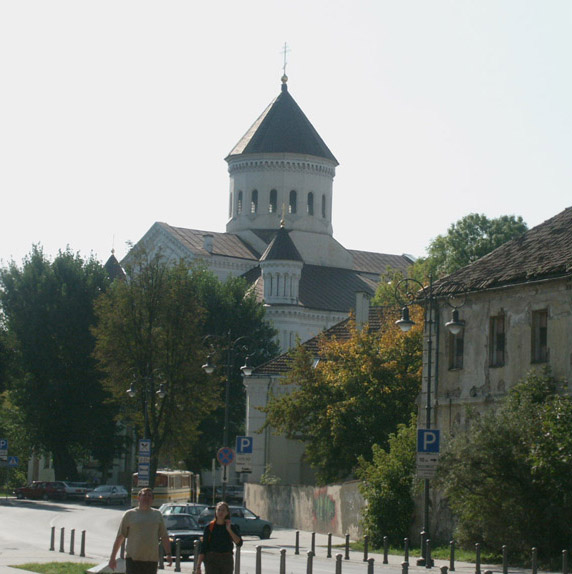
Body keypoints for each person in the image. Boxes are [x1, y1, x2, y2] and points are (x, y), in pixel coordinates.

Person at [108, 487, 173, 574]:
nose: (146, 497)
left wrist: (168, 554)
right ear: (138, 498)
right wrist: (112, 558)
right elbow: (120, 537)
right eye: (144, 495)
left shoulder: (157, 515)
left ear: (152, 500)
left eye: (149, 496)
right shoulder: (129, 514)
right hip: (133, 560)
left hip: (151, 561)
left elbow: (164, 536)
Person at [195, 501, 242, 574]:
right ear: (215, 512)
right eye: (219, 510)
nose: (221, 512)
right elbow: (203, 547)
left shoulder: (231, 527)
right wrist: (198, 566)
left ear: (227, 513)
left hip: (226, 560)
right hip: (212, 560)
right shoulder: (210, 527)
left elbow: (239, 543)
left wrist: (229, 529)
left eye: (223, 510)